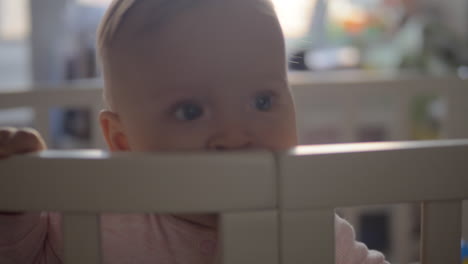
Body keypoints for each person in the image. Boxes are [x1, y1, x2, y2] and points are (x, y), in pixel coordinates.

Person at [0, 0, 389, 263]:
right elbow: (24, 254)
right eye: (190, 110)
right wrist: (15, 198)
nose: (236, 136)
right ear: (122, 141)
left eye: (263, 102)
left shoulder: (306, 225)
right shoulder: (97, 219)